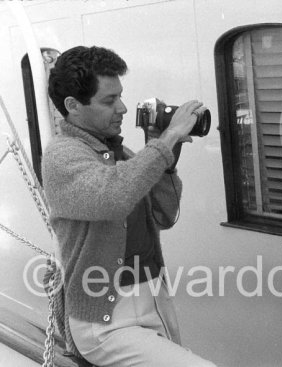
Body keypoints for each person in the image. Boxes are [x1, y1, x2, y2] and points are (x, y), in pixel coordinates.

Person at [42, 45, 216, 367]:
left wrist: (164, 160)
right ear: (73, 106)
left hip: (152, 299)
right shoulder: (62, 157)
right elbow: (113, 197)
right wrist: (168, 140)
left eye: (120, 96)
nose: (122, 107)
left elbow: (164, 215)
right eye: (109, 100)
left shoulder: (120, 156)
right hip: (105, 321)